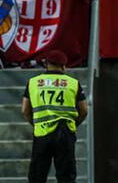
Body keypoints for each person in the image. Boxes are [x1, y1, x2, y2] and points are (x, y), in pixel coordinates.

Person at [21, 50, 88, 183]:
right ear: (63, 66)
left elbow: (25, 110)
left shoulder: (33, 82)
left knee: (37, 176)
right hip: (65, 133)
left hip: (41, 133)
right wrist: (74, 124)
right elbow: (84, 110)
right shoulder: (73, 83)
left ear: (46, 64)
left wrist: (36, 124)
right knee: (66, 177)